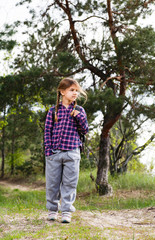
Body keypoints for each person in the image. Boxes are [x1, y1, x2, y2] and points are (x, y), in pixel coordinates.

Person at [44, 77, 89, 223]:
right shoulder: (53, 111)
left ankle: (66, 211)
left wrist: (79, 117)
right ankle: (52, 210)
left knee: (70, 183)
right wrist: (48, 151)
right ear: (62, 92)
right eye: (71, 90)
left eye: (76, 91)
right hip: (55, 153)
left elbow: (85, 130)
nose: (75, 93)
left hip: (72, 152)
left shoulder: (79, 110)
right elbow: (47, 132)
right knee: (52, 184)